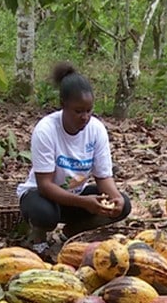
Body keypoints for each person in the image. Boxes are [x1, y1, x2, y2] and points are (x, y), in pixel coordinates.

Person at [17, 62, 131, 255]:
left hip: (75, 195)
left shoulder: (96, 130)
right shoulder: (46, 130)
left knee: (124, 205)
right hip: (42, 196)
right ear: (63, 105)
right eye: (78, 111)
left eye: (89, 111)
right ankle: (37, 237)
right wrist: (85, 202)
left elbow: (103, 177)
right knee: (45, 214)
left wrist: (115, 198)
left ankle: (72, 232)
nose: (84, 117)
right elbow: (45, 185)